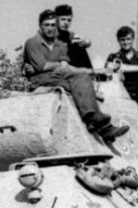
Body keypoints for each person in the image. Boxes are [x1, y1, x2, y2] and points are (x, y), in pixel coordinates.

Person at [22, 9, 129, 142]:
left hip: (58, 77)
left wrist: (60, 66)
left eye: (53, 25)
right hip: (40, 80)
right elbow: (41, 67)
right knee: (73, 86)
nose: (50, 28)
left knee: (82, 78)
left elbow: (65, 64)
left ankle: (96, 121)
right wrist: (57, 65)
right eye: (46, 25)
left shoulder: (60, 44)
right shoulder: (32, 43)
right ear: (40, 26)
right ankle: (101, 126)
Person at [105, 26, 138, 118]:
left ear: (133, 39)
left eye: (128, 39)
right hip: (120, 100)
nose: (126, 42)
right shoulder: (113, 58)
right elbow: (107, 81)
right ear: (118, 41)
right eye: (122, 40)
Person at [54, 4, 93, 69]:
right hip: (56, 66)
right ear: (56, 19)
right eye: (63, 19)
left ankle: (89, 74)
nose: (66, 23)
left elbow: (85, 41)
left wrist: (86, 42)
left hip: (70, 67)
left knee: (78, 45)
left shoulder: (68, 35)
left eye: (69, 20)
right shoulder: (50, 34)